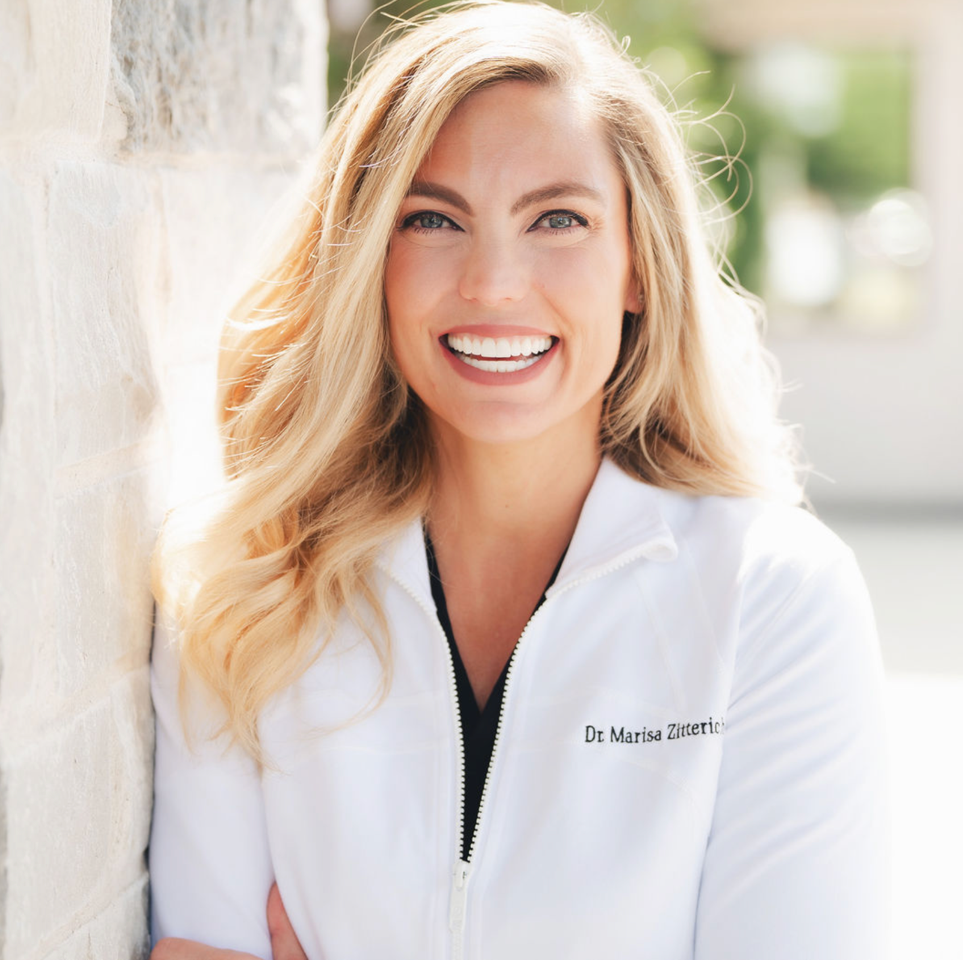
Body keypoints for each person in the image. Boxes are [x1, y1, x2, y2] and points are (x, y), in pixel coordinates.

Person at [146, 2, 891, 958]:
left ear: (638, 265)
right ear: (370, 260)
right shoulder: (245, 594)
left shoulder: (771, 596)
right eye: (432, 218)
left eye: (558, 219)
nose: (494, 282)